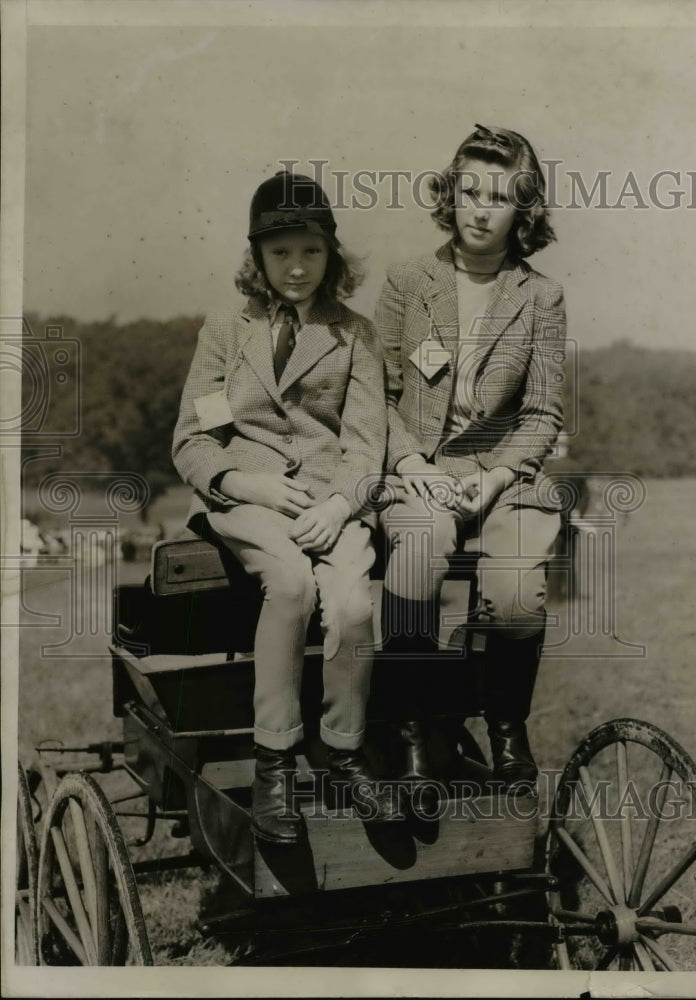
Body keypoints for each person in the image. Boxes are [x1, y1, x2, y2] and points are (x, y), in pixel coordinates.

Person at [172, 170, 400, 844]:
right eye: (280, 254)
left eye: (310, 251)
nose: (296, 268)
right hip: (248, 498)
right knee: (291, 583)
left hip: (331, 502)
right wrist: (247, 486)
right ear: (257, 259)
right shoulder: (224, 330)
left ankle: (345, 750)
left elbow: (366, 446)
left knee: (355, 604)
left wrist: (339, 506)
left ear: (331, 254)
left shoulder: (355, 334)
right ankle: (276, 761)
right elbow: (192, 438)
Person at [375, 124, 567, 793]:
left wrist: (495, 477)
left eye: (500, 196)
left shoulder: (540, 296)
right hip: (418, 475)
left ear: (524, 210)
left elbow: (543, 413)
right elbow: (376, 397)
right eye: (470, 191)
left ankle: (505, 727)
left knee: (515, 597)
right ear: (449, 196)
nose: (482, 208)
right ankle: (411, 730)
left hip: (504, 478)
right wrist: (409, 469)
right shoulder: (406, 282)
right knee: (417, 562)